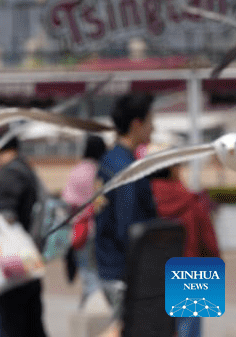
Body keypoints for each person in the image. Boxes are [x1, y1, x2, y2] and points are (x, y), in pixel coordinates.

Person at [0, 133, 48, 337]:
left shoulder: (10, 173)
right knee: (33, 326)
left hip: (12, 265)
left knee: (12, 326)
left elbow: (8, 216)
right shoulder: (26, 168)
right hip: (28, 259)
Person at [94, 94, 157, 326]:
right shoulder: (127, 169)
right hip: (126, 271)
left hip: (109, 266)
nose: (154, 127)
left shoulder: (108, 161)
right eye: (151, 121)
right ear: (136, 124)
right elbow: (129, 227)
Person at [149, 150, 220, 337]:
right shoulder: (190, 199)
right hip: (191, 274)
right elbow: (208, 242)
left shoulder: (145, 200)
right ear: (172, 168)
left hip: (153, 274)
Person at [61, 134, 106, 305]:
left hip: (81, 229)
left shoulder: (77, 171)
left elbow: (68, 202)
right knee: (99, 273)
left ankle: (90, 309)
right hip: (100, 228)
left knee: (87, 272)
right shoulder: (102, 171)